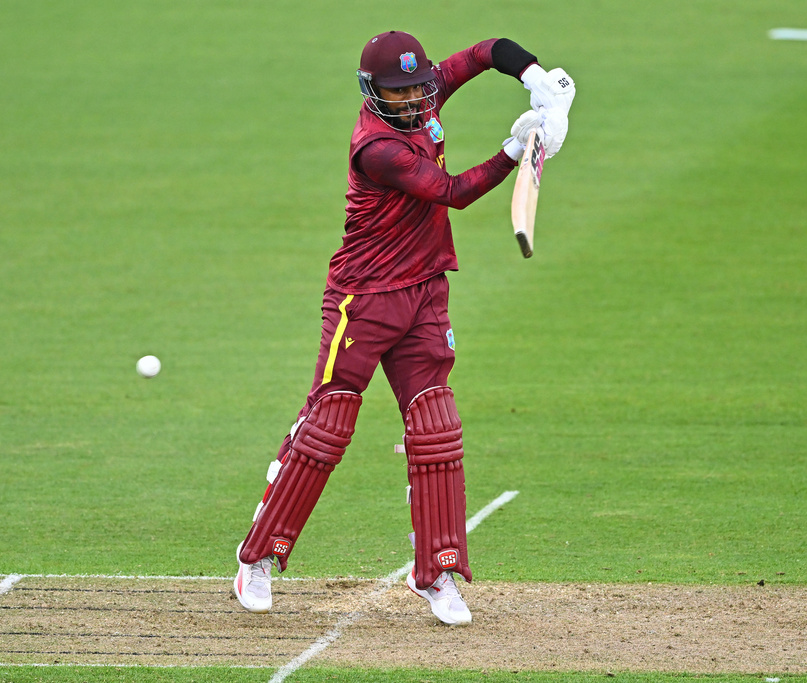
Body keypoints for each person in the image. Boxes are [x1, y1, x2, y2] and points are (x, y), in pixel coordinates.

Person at [233, 30, 575, 625]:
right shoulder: (377, 147)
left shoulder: (421, 93)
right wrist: (515, 148)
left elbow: (487, 50)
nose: (418, 99)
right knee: (327, 425)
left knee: (436, 426)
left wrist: (534, 80)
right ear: (374, 93)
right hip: (362, 301)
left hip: (425, 292)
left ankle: (437, 573)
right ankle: (257, 557)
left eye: (421, 87)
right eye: (402, 91)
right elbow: (453, 192)